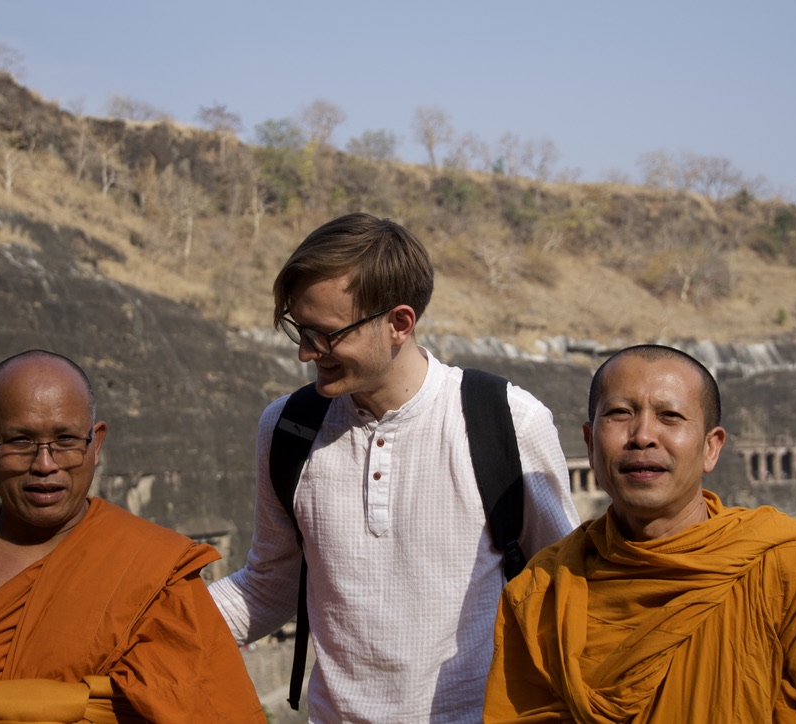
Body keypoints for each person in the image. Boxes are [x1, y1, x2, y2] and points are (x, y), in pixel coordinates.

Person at [208, 213, 580, 722]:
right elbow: (269, 585)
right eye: (299, 329)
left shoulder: (507, 421)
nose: (304, 352)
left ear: (399, 323)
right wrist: (145, 625)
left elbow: (566, 590)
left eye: (324, 335)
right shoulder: (288, 428)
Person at [0, 349, 265, 723]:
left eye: (65, 440)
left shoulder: (153, 572)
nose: (45, 464)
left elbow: (213, 709)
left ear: (96, 444)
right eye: (20, 441)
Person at [483, 344, 796, 722]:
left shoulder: (789, 570)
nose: (642, 435)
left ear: (711, 448)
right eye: (620, 413)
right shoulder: (543, 591)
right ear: (589, 444)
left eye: (670, 416)